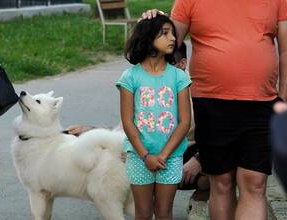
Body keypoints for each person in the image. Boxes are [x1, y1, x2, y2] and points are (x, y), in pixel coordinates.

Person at [143, 0, 287, 219]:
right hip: (210, 101)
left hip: (262, 102)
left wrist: (283, 98)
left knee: (255, 183)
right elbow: (169, 43)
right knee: (221, 182)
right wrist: (153, 23)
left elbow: (286, 50)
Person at [66, 42, 209, 195]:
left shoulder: (197, 90)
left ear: (182, 64)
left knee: (215, 169)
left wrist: (199, 160)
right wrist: (93, 132)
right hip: (147, 153)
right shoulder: (144, 83)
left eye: (168, 62)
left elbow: (218, 133)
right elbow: (126, 128)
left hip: (184, 154)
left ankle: (202, 195)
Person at [117, 15, 191, 220]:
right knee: (142, 213)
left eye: (172, 34)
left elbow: (185, 122)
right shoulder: (130, 77)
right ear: (148, 38)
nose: (173, 39)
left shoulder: (179, 77)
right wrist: (145, 156)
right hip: (139, 157)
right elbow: (127, 122)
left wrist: (164, 155)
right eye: (165, 33)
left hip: (171, 157)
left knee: (164, 212)